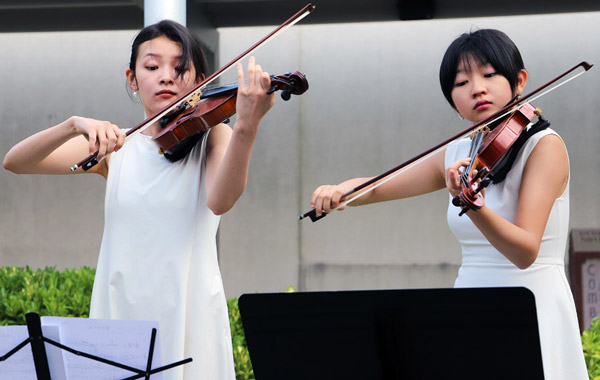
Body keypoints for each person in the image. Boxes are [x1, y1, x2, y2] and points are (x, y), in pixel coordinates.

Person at [3, 20, 275, 380]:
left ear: (199, 82)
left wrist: (246, 126)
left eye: (180, 68)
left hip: (187, 313)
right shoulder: (117, 149)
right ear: (132, 79)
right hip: (120, 319)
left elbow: (221, 200)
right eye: (152, 66)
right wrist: (72, 124)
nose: (166, 77)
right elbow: (16, 162)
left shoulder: (214, 137)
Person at [309, 29, 588, 380]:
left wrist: (472, 205)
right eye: (461, 82)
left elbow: (524, 251)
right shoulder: (460, 151)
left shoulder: (544, 147)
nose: (477, 88)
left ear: (520, 80)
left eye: (489, 75)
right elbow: (380, 186)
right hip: (468, 307)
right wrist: (340, 191)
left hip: (531, 305)